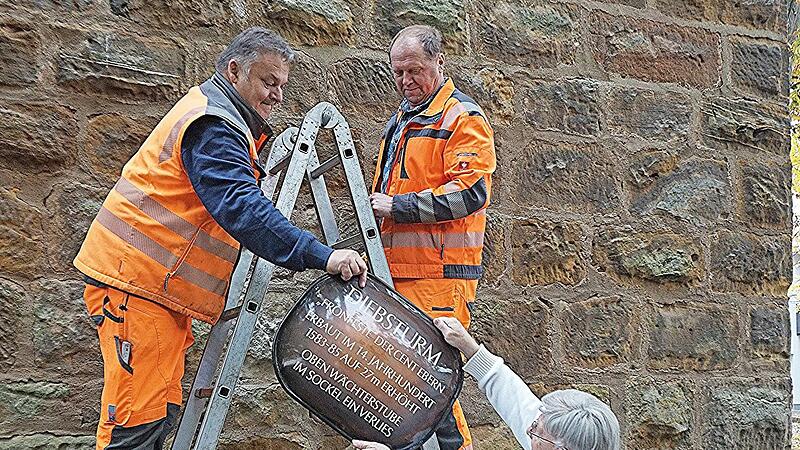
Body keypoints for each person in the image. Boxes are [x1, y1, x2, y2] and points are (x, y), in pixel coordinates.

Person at [73, 27, 367, 449]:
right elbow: (242, 208)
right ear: (234, 71)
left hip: (153, 289)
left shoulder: (218, 117)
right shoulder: (214, 124)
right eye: (269, 82)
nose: (277, 96)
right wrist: (322, 255)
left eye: (282, 85)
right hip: (138, 286)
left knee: (156, 416)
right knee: (135, 425)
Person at [369, 24, 496, 450]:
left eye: (415, 71)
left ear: (439, 63)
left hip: (439, 278)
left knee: (433, 387)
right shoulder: (402, 121)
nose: (406, 81)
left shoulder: (463, 118)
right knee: (406, 388)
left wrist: (397, 207)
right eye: (398, 73)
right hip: (401, 274)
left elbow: (470, 192)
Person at [352, 317, 622, 450]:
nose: (529, 428)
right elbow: (513, 396)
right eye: (537, 421)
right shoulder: (549, 436)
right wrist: (469, 347)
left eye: (537, 432)